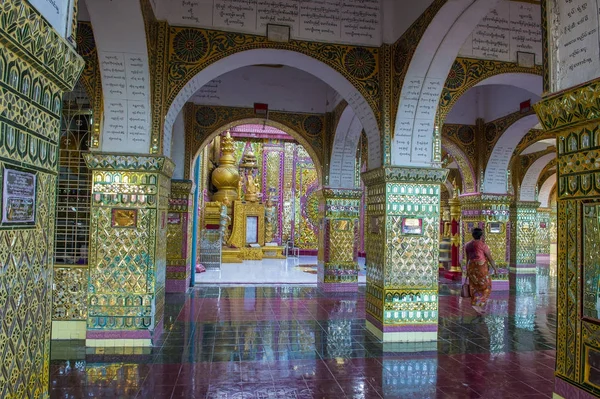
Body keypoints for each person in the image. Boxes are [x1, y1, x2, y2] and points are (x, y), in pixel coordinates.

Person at [464, 227, 497, 314]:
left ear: (472, 235)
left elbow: (467, 259)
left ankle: (475, 303)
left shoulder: (467, 245)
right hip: (481, 267)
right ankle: (478, 304)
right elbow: (490, 259)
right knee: (487, 286)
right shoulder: (483, 245)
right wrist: (495, 269)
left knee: (474, 286)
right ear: (481, 236)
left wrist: (467, 269)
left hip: (471, 267)